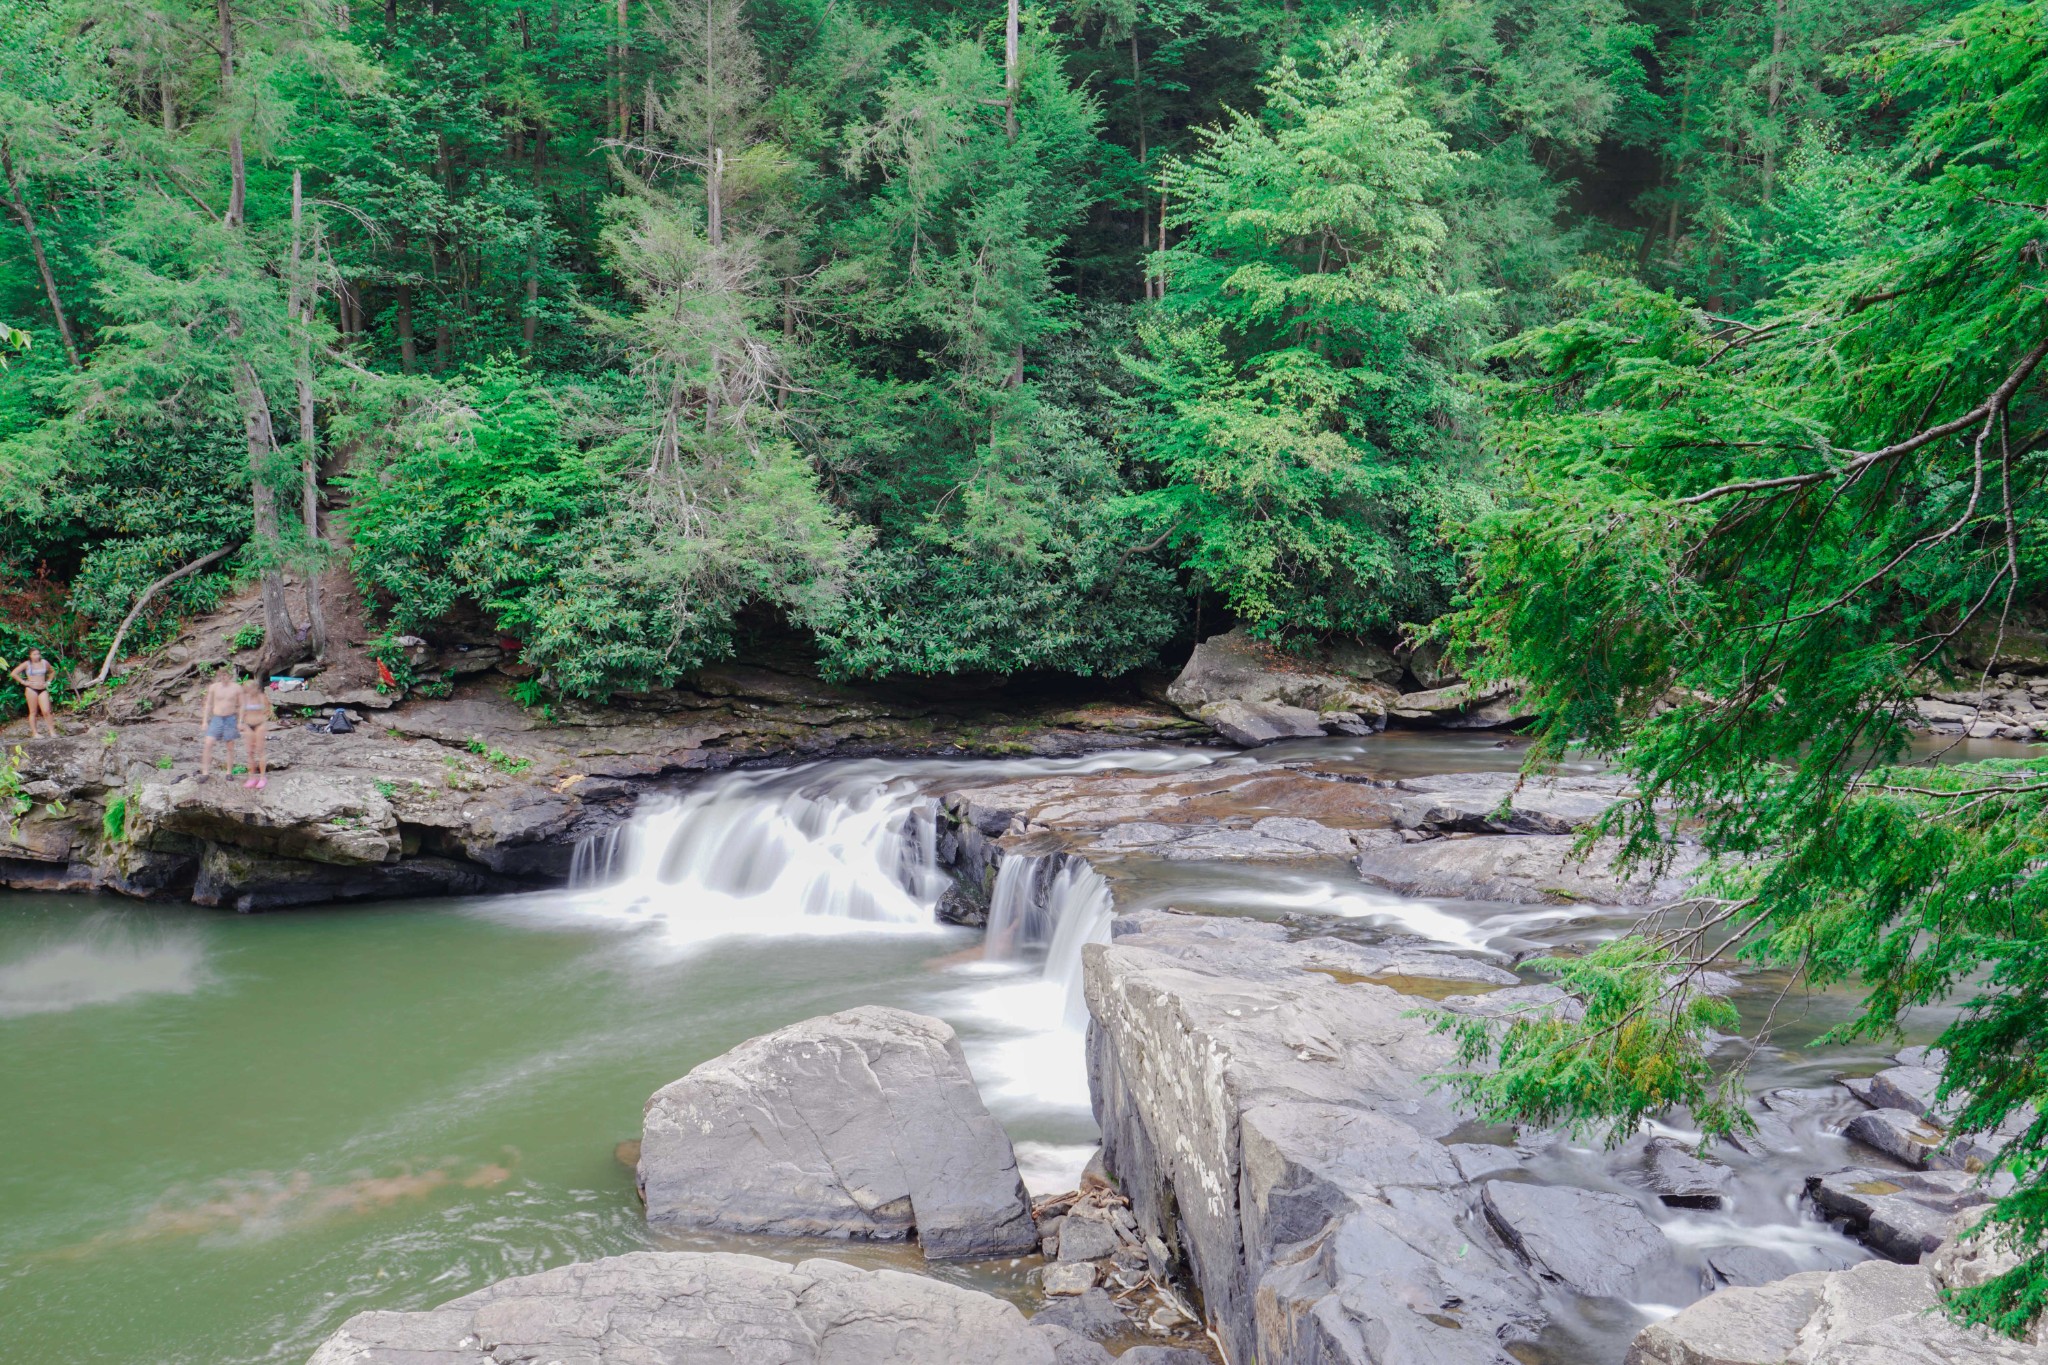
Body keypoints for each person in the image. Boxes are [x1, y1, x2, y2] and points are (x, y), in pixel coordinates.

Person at [198, 666, 244, 782]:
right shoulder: (214, 687)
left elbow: (242, 705)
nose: (223, 677)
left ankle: (229, 772)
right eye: (221, 675)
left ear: (229, 675)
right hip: (217, 718)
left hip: (230, 718)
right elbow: (208, 704)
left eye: (225, 675)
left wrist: (240, 721)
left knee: (230, 746)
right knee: (208, 743)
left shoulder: (237, 688)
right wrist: (204, 721)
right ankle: (205, 772)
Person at [10, 648, 57, 739]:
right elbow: (14, 673)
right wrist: (23, 682)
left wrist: (48, 681)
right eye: (34, 654)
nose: (37, 656)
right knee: (33, 712)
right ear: (30, 655)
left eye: (38, 654)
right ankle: (35, 733)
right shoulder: (27, 664)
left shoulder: (44, 662)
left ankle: (52, 731)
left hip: (42, 688)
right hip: (31, 689)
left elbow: (52, 671)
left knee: (47, 711)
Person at [239, 678, 275, 790]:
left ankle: (263, 777)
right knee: (250, 752)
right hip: (248, 725)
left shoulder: (262, 697)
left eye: (250, 688)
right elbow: (241, 711)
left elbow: (268, 710)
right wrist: (240, 722)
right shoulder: (245, 698)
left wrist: (263, 720)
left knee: (260, 751)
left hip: (260, 725)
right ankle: (252, 777)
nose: (248, 691)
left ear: (255, 688)